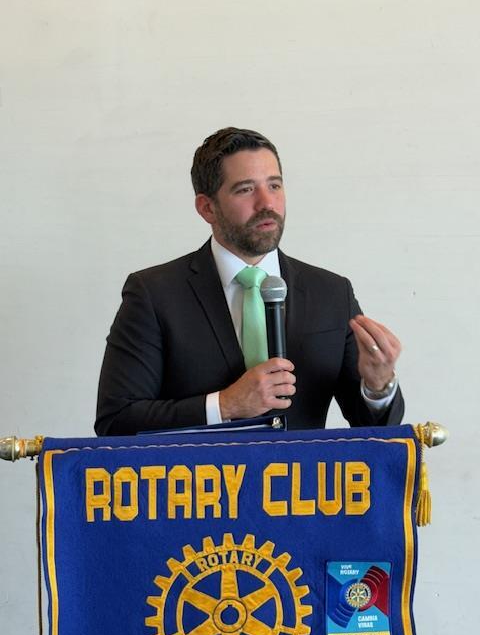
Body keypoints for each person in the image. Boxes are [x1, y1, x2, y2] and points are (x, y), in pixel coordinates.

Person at [95, 127, 404, 436]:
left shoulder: (332, 293)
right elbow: (116, 421)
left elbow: (376, 431)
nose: (266, 203)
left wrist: (378, 386)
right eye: (245, 189)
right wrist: (225, 405)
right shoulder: (154, 294)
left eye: (274, 185)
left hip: (302, 469)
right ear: (207, 208)